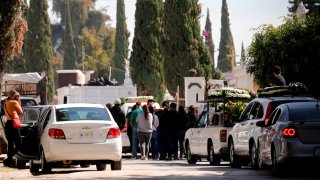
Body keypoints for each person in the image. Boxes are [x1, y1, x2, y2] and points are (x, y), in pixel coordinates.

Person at [3, 90, 23, 167]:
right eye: (16, 96)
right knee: (19, 144)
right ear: (12, 96)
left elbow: (6, 113)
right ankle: (9, 158)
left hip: (8, 124)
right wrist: (19, 101)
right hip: (13, 124)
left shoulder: (6, 102)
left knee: (10, 144)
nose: (17, 97)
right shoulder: (15, 102)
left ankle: (9, 162)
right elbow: (21, 111)